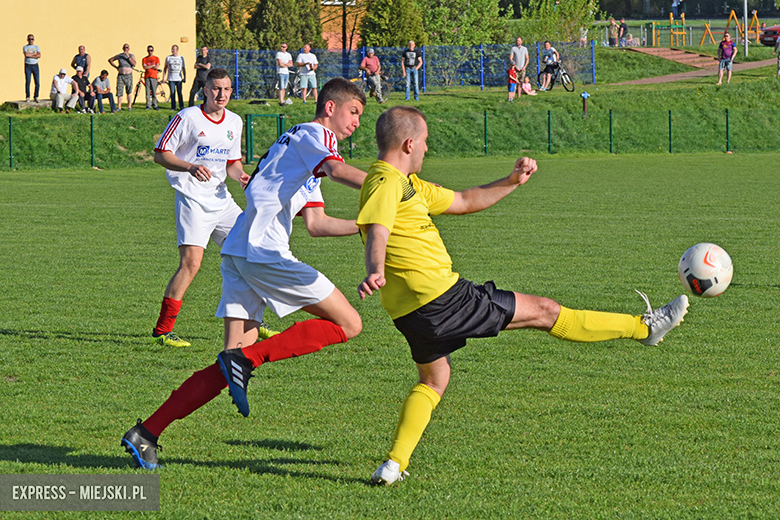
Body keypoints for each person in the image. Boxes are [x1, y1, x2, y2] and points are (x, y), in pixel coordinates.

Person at [356, 105, 690, 485]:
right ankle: (645, 328)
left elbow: (464, 201)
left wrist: (511, 181)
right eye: (426, 142)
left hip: (412, 312)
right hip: (443, 298)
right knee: (546, 311)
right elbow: (378, 228)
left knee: (434, 380)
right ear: (409, 142)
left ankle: (393, 464)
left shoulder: (406, 185)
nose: (427, 150)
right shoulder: (386, 182)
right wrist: (375, 269)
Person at [121, 77, 369, 470]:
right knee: (349, 323)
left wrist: (366, 224)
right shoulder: (315, 136)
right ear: (330, 107)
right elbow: (338, 171)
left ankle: (146, 433)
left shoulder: (299, 148)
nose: (357, 122)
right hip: (263, 250)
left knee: (229, 363)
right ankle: (247, 360)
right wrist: (395, 187)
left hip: (239, 249)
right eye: (353, 112)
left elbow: (317, 223)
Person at [147, 68, 253, 348]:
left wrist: (241, 175)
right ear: (205, 90)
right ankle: (163, 330)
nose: (222, 94)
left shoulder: (234, 121)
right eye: (216, 89)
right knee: (191, 265)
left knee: (250, 252)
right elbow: (161, 154)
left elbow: (232, 163)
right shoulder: (187, 117)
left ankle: (255, 321)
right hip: (192, 199)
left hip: (221, 200)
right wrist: (190, 167)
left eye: (227, 89)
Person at [108, 44, 136, 111]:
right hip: (121, 75)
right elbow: (110, 60)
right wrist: (116, 67)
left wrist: (128, 56)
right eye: (124, 47)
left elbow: (134, 63)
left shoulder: (132, 55)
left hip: (129, 75)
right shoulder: (119, 56)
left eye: (127, 47)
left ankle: (129, 106)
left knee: (129, 91)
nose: (125, 48)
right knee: (119, 91)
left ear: (129, 48)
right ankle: (119, 107)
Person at [163, 45, 186, 111]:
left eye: (175, 49)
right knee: (172, 93)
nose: (173, 51)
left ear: (177, 50)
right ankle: (173, 106)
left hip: (179, 79)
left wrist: (184, 77)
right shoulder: (168, 58)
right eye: (172, 49)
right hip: (171, 78)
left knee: (179, 92)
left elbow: (183, 68)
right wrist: (164, 77)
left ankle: (181, 106)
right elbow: (165, 68)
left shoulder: (181, 58)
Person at [23, 34, 41, 103]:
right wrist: (34, 55)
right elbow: (26, 55)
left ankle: (36, 96)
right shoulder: (25, 47)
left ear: (34, 39)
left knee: (37, 82)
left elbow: (39, 55)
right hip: (28, 65)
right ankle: (28, 97)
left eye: (32, 39)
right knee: (28, 81)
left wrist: (31, 55)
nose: (31, 40)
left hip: (35, 65)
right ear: (27, 40)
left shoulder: (37, 47)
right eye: (29, 39)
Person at [143, 45, 161, 111]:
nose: (150, 52)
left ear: (153, 51)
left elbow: (157, 67)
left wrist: (149, 66)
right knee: (147, 92)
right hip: (147, 76)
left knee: (154, 92)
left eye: (151, 50)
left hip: (154, 77)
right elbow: (145, 67)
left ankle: (155, 105)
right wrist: (152, 65)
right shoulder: (144, 59)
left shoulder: (156, 58)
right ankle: (148, 105)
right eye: (148, 50)